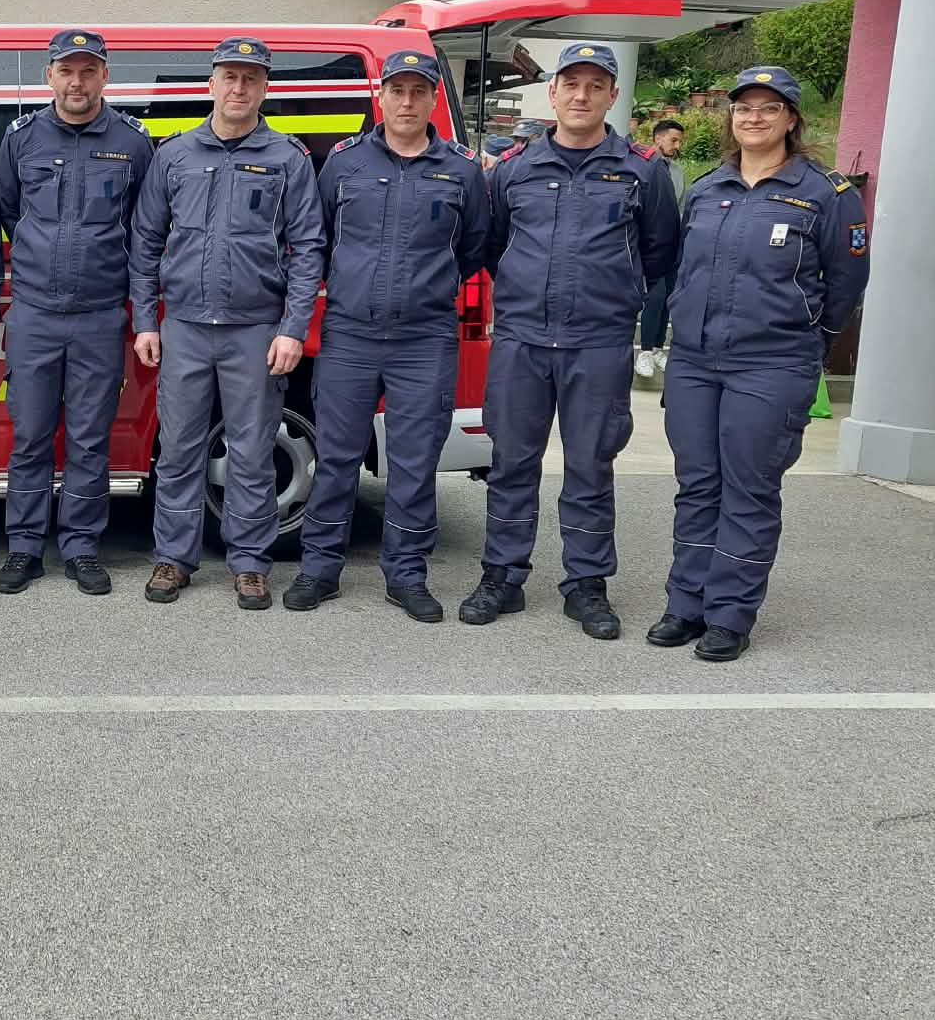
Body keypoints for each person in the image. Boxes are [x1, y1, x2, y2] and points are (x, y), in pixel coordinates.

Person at [649, 66, 869, 661]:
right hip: (696, 361)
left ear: (791, 119)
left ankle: (729, 614)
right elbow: (677, 267)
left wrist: (806, 339)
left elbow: (848, 282)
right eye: (744, 107)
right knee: (697, 485)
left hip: (771, 365)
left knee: (747, 488)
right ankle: (685, 603)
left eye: (769, 108)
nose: (754, 116)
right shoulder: (706, 187)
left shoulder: (826, 193)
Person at [468, 41, 680, 640]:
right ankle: (502, 576)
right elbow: (491, 245)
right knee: (511, 463)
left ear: (613, 96)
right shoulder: (514, 167)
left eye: (596, 85)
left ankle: (586, 584)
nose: (582, 95)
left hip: (598, 342)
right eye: (571, 84)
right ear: (553, 93)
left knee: (590, 466)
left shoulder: (642, 169)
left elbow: (661, 252)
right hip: (522, 341)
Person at [283, 50, 489, 619]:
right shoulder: (344, 162)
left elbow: (474, 248)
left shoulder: (463, 169)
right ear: (381, 96)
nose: (406, 101)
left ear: (431, 100)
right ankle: (319, 569)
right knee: (339, 455)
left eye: (418, 91)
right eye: (396, 90)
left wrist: (428, 288)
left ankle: (406, 574)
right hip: (349, 334)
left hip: (425, 338)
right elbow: (316, 239)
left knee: (414, 460)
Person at [129, 37, 325, 609]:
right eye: (229, 77)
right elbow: (144, 242)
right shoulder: (175, 156)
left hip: (255, 330)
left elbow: (308, 246)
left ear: (266, 88)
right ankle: (174, 558)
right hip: (184, 326)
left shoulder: (288, 158)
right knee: (180, 448)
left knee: (252, 449)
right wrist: (147, 321)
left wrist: (293, 327)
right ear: (210, 84)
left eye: (251, 79)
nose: (239, 88)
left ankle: (250, 563)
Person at [0, 29, 153, 595]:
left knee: (89, 438)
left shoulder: (133, 142)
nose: (77, 81)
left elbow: (144, 229)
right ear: (50, 76)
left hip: (100, 314)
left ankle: (82, 547)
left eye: (88, 70)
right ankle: (24, 548)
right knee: (31, 434)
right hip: (35, 312)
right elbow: (8, 212)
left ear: (105, 76)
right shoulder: (21, 139)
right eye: (67, 70)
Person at [634, 118, 687, 380]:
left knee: (668, 297)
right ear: (658, 138)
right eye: (673, 140)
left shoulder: (677, 171)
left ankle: (657, 348)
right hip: (649, 244)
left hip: (674, 244)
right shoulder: (642, 166)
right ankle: (644, 351)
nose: (677, 146)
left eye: (679, 141)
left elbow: (680, 207)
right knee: (654, 297)